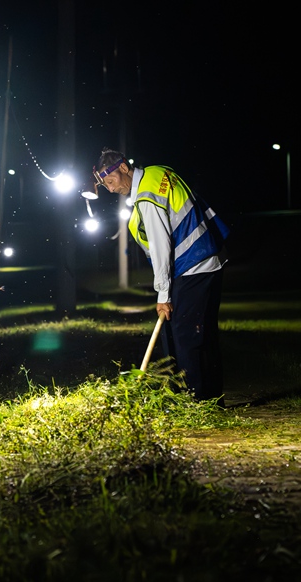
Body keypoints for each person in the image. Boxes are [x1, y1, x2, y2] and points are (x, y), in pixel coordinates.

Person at [94, 148, 230, 403]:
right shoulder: (158, 172)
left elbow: (160, 247)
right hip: (210, 257)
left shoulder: (146, 197)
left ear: (123, 168)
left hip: (192, 264)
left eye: (110, 182)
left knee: (185, 336)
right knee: (203, 333)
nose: (110, 190)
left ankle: (196, 402)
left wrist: (163, 294)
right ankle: (213, 399)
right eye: (105, 185)